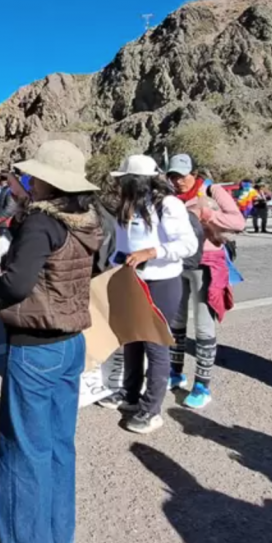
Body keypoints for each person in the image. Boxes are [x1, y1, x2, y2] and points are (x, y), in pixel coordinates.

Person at [0, 140, 102, 543]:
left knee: (24, 450)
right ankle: (56, 537)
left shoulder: (39, 223)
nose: (30, 181)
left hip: (35, 345)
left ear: (48, 182)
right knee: (58, 445)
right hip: (71, 342)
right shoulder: (86, 221)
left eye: (35, 176)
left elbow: (17, 284)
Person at [98, 155, 198, 434]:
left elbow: (188, 244)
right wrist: (116, 266)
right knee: (131, 339)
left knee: (155, 346)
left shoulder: (168, 205)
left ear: (137, 181)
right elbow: (122, 245)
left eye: (123, 180)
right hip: (131, 281)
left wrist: (153, 252)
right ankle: (130, 394)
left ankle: (151, 409)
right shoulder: (127, 205)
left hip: (161, 283)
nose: (119, 185)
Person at [166, 154, 245, 409]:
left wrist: (208, 214)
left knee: (203, 326)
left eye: (182, 175)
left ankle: (202, 385)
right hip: (178, 264)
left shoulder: (212, 190)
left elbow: (238, 222)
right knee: (176, 322)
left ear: (193, 172)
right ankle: (175, 373)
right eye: (173, 176)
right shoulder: (169, 195)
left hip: (206, 264)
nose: (178, 181)